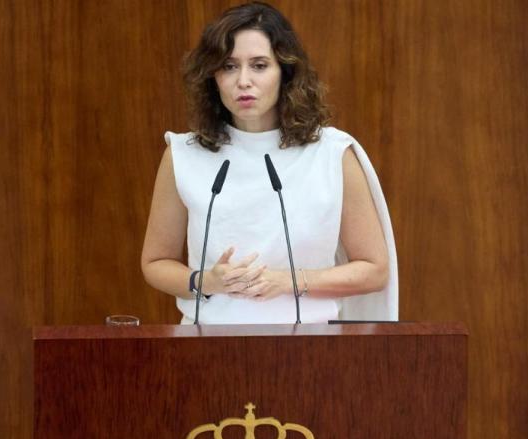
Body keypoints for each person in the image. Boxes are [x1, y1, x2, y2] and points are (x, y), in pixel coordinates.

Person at [141, 1, 398, 324]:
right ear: (212, 76)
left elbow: (374, 270)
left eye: (259, 65)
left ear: (285, 72)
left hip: (312, 349)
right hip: (207, 350)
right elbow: (156, 262)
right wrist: (206, 282)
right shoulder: (184, 154)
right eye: (229, 66)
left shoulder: (332, 153)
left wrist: (287, 282)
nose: (243, 81)